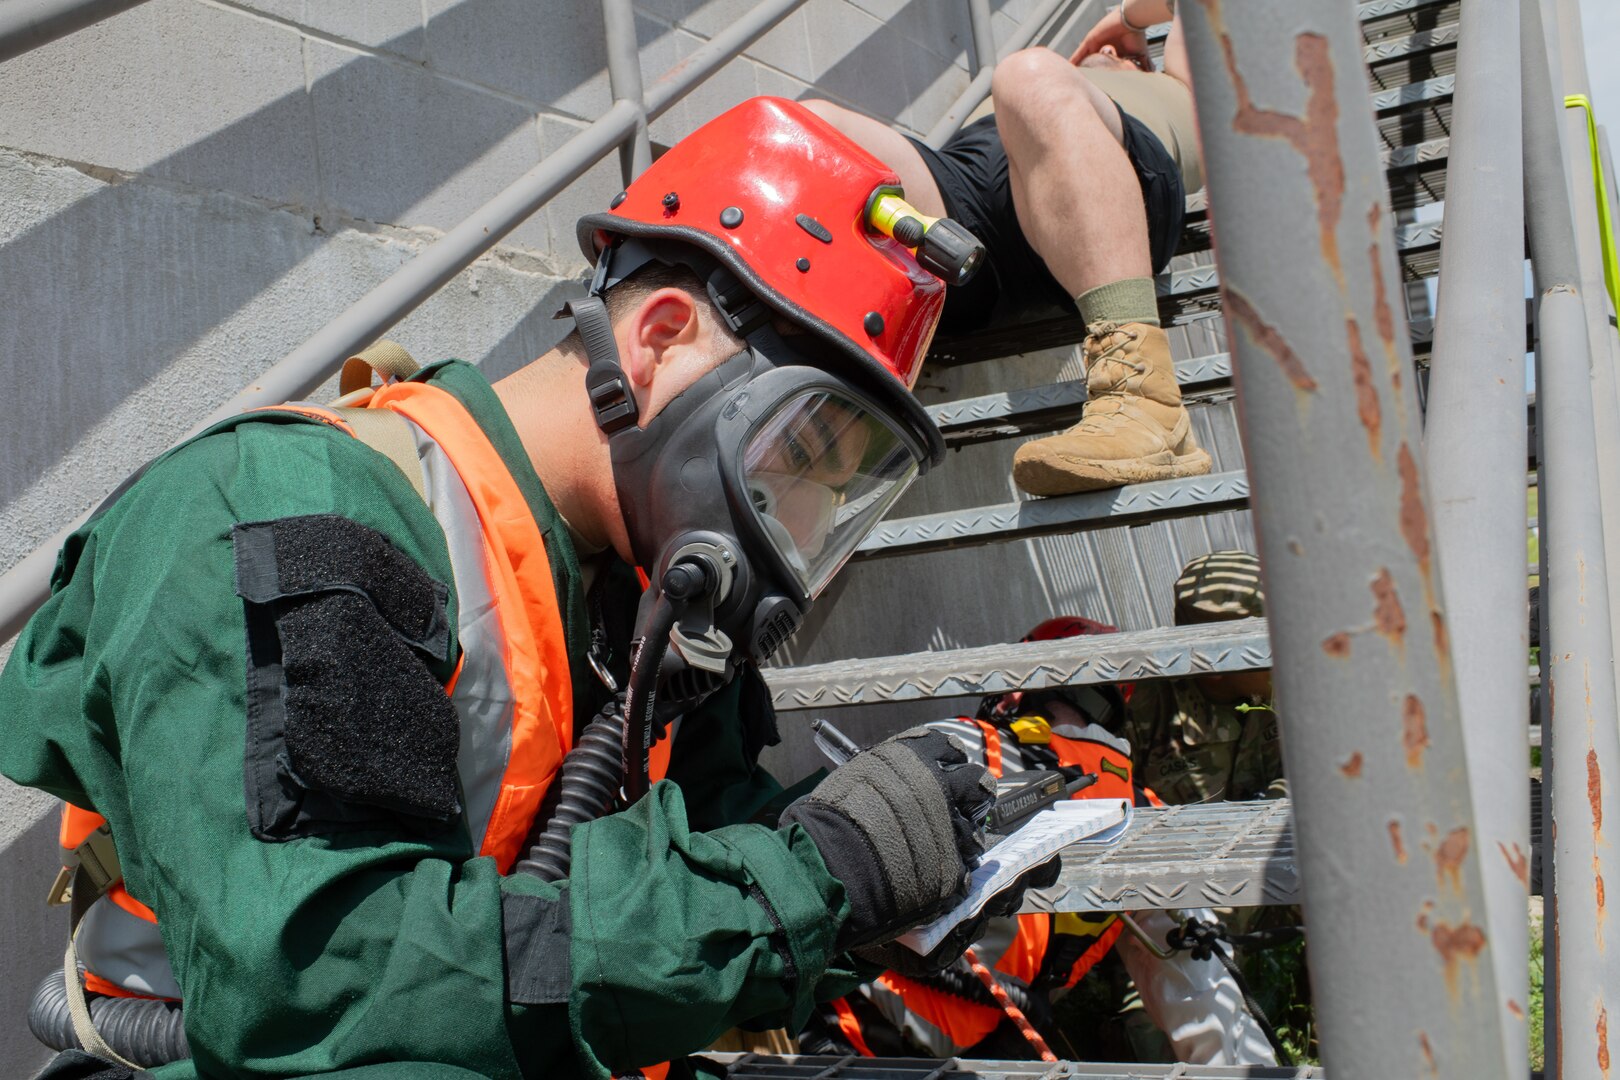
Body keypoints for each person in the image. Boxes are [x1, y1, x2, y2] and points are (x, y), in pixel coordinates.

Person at [0, 97, 1046, 1080]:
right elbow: (329, 979)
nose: (804, 522)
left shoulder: (659, 599)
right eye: (805, 450)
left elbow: (719, 850)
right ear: (665, 335)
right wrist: (803, 885)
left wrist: (898, 856)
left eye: (845, 484)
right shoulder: (287, 511)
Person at [804, 617, 1278, 1066]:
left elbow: (826, 843)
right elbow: (1208, 995)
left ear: (1016, 691)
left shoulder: (967, 743)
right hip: (960, 1058)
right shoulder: (1149, 822)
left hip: (843, 1014)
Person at [802, 0, 1210, 497]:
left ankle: (1148, 405)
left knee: (1027, 72)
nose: (1103, 50)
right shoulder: (1023, 97)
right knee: (810, 132)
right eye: (1097, 49)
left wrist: (1125, 20)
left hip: (1122, 200)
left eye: (1121, 55)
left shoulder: (1182, 93)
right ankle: (800, 406)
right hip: (969, 203)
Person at [1122, 550, 1285, 805]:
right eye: (1268, 648)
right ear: (1216, 664)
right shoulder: (1141, 710)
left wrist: (1277, 799)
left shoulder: (1292, 687)